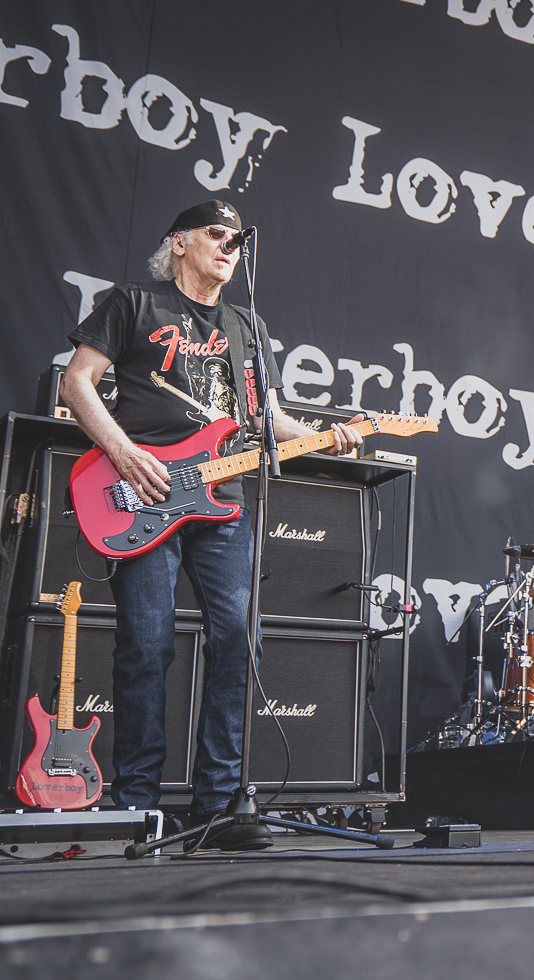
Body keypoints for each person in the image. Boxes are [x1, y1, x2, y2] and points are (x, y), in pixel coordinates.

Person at [59, 200, 363, 850]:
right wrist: (124, 452)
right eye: (217, 235)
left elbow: (264, 419)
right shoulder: (133, 303)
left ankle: (219, 803)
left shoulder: (246, 325)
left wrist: (323, 437)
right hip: (142, 493)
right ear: (179, 244)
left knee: (237, 638)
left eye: (239, 239)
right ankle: (137, 803)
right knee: (146, 645)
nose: (232, 246)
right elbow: (77, 381)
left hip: (219, 502)